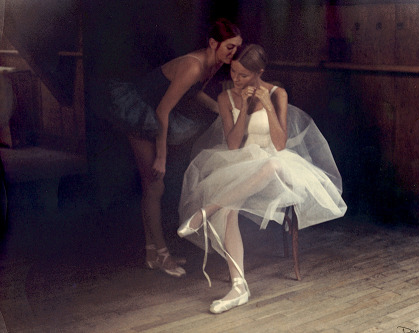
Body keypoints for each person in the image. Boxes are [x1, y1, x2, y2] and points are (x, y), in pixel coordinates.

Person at [177, 44, 347, 312]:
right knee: (230, 210)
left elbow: (280, 145)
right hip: (241, 165)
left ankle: (207, 211)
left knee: (272, 165)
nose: (236, 79)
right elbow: (233, 146)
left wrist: (267, 106)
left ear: (260, 72)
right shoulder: (226, 98)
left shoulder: (277, 93)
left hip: (275, 166)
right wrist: (243, 106)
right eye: (233, 72)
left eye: (243, 75)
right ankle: (238, 287)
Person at [106, 19, 242, 278]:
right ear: (213, 43)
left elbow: (191, 93)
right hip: (143, 111)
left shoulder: (213, 64)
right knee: (155, 185)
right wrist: (162, 156)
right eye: (230, 47)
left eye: (237, 48)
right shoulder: (194, 66)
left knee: (152, 187)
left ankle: (152, 254)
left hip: (155, 115)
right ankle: (163, 255)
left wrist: (221, 109)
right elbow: (162, 110)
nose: (233, 53)